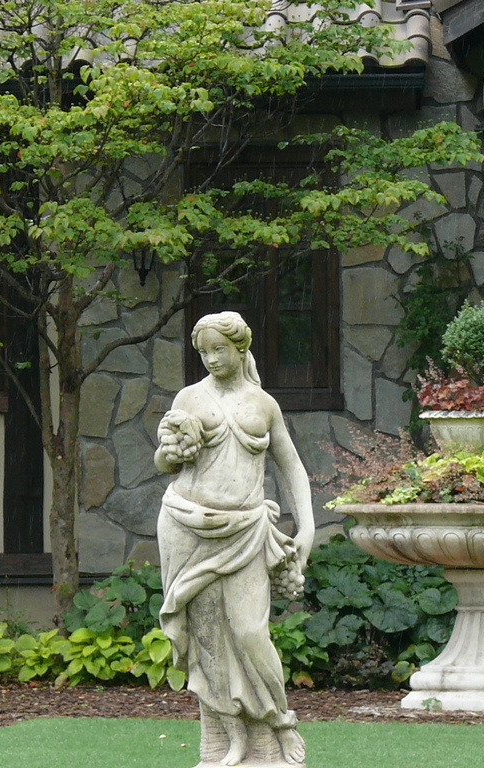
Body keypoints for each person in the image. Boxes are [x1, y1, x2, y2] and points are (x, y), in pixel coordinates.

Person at [155, 311, 315, 767]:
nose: (210, 359)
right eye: (203, 352)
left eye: (219, 350)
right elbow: (165, 462)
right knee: (206, 640)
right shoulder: (189, 397)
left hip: (245, 530)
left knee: (249, 632)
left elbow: (291, 465)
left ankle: (279, 723)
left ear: (240, 348)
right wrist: (169, 449)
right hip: (187, 524)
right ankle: (228, 741)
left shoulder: (264, 404)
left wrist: (307, 526)